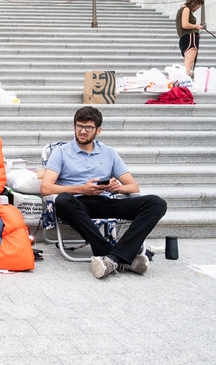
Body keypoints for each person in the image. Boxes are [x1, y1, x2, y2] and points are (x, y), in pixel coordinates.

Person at [40, 106, 167, 279]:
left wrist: (118, 187)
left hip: (105, 201)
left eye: (88, 127)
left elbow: (133, 187)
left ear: (98, 130)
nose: (82, 131)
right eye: (79, 126)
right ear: (74, 126)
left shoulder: (109, 153)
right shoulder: (61, 153)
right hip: (77, 204)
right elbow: (46, 187)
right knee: (63, 200)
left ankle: (113, 257)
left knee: (157, 203)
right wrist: (81, 189)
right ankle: (119, 254)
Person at [175, 0, 205, 76]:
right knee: (189, 63)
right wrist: (196, 26)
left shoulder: (181, 9)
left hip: (184, 38)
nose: (196, 9)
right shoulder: (186, 9)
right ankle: (186, 80)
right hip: (190, 37)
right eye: (197, 7)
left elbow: (178, 30)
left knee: (187, 63)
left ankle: (185, 79)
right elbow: (185, 25)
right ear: (195, 3)